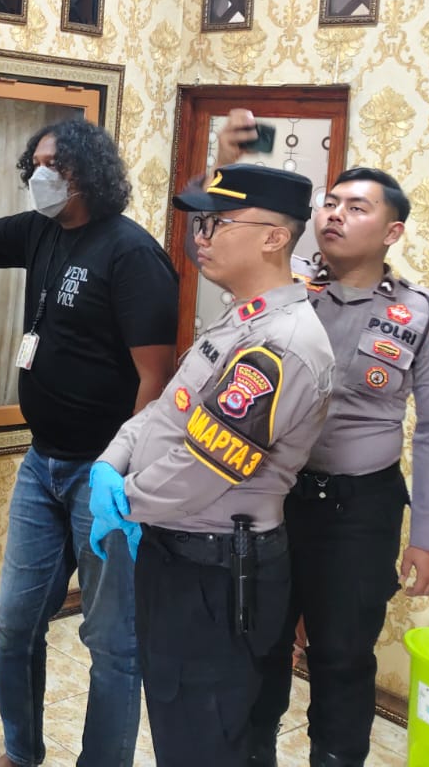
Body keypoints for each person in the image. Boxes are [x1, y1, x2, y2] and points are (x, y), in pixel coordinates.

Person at [0, 118, 177, 767]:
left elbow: (155, 378)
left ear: (89, 174)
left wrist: (122, 475)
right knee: (14, 624)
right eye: (38, 164)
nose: (42, 176)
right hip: (42, 463)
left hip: (103, 478)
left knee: (112, 644)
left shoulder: (130, 254)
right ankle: (23, 754)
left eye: (58, 165)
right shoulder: (41, 231)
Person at [206, 113, 429, 767]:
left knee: (344, 656)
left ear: (392, 231)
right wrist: (221, 166)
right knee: (257, 643)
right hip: (272, 498)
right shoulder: (282, 283)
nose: (335, 215)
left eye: (357, 207)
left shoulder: (422, 316)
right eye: (330, 203)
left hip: (360, 511)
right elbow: (211, 242)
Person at [90, 163, 335, 767]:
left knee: (204, 737)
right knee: (184, 724)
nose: (201, 237)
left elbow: (206, 467)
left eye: (218, 223)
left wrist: (128, 499)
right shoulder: (242, 317)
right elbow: (168, 411)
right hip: (183, 555)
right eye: (200, 223)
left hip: (216, 569)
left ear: (274, 237)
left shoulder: (280, 344)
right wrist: (111, 462)